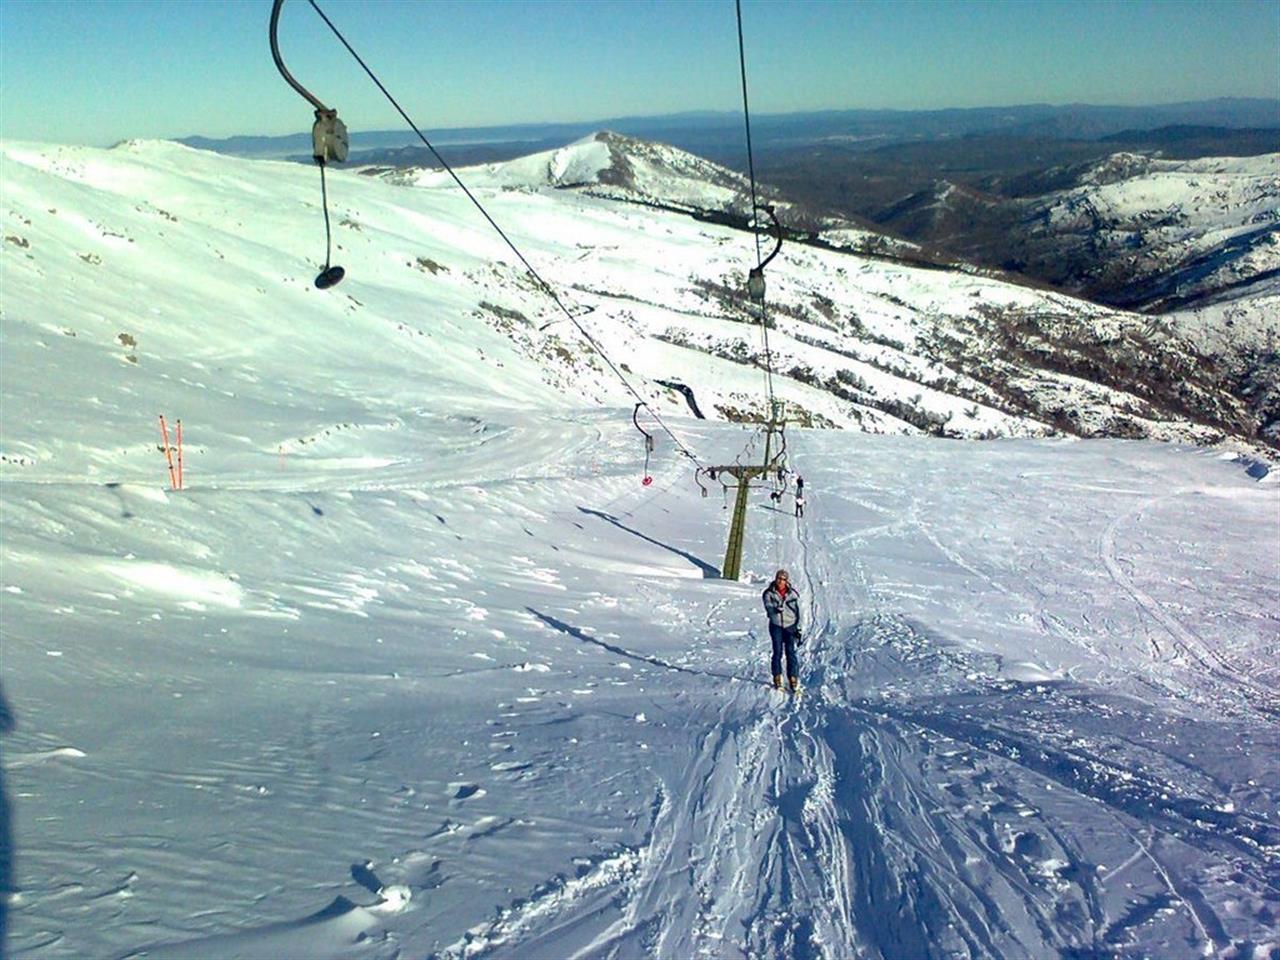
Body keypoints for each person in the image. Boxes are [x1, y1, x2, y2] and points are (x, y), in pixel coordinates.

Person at [761, 568, 802, 692]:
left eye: (783, 579)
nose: (780, 581)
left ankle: (793, 677)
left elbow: (798, 612)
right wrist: (775, 610)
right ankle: (777, 677)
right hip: (776, 625)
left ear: (786, 581)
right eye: (779, 578)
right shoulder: (769, 593)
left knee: (791, 652)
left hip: (790, 626)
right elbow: (768, 608)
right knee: (777, 651)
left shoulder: (792, 594)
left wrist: (798, 628)